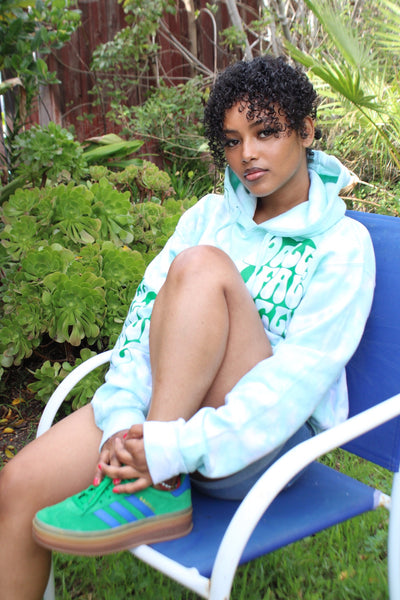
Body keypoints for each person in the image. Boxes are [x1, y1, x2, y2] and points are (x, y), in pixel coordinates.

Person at [0, 55, 375, 600]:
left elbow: (297, 379)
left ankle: (159, 482)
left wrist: (168, 447)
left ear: (306, 130)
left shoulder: (342, 246)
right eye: (232, 141)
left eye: (266, 132)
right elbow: (142, 324)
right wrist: (123, 425)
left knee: (201, 267)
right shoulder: (207, 216)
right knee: (17, 487)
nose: (247, 154)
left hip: (258, 446)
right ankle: (154, 469)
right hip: (165, 410)